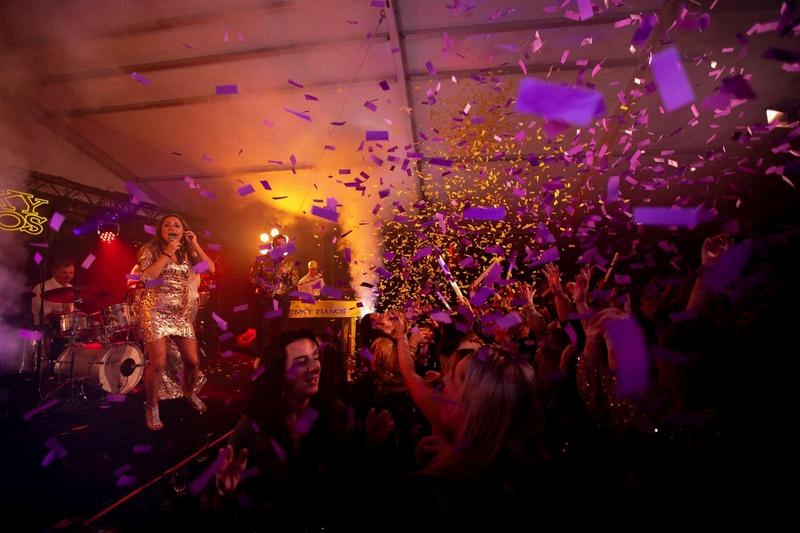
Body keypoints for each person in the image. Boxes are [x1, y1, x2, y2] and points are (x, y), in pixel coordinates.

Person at [215, 329, 393, 529]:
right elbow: (232, 505)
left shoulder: (334, 412)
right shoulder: (256, 423)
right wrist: (225, 491)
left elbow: (353, 482)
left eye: (315, 357)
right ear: (279, 372)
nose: (315, 367)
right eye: (301, 362)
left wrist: (370, 444)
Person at [135, 213, 215, 430]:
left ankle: (188, 392)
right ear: (160, 230)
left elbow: (210, 268)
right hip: (155, 310)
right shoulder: (150, 249)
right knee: (158, 362)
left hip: (180, 313)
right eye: (167, 225)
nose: (172, 228)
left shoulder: (187, 251)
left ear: (183, 231)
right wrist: (167, 253)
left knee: (192, 362)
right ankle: (152, 406)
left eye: (177, 225)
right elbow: (146, 278)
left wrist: (195, 244)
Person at [249, 234, 298, 354]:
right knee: (264, 326)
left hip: (283, 297)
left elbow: (295, 281)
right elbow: (253, 277)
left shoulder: (290, 262)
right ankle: (263, 353)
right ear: (273, 245)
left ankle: (281, 353)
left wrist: (286, 280)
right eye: (278, 244)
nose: (280, 247)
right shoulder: (262, 259)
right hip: (265, 297)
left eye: (283, 245)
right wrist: (264, 284)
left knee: (282, 326)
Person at [30, 259, 75, 361]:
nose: (68, 276)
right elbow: (43, 312)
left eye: (71, 272)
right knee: (45, 359)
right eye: (64, 272)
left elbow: (69, 312)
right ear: (54, 272)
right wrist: (63, 315)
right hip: (44, 330)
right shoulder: (42, 287)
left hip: (64, 330)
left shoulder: (71, 288)